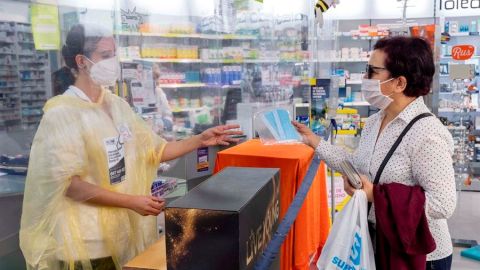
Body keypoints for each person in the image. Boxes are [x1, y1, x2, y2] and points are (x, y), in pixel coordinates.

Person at [19, 24, 242, 270]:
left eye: (114, 53)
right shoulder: (62, 114)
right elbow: (69, 186)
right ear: (81, 61)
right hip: (85, 244)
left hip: (120, 235)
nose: (113, 62)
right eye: (105, 56)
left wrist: (200, 139)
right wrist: (131, 201)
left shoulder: (116, 105)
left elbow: (153, 151)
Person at [294, 36, 456, 270]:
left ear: (399, 83)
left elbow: (443, 204)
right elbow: (358, 165)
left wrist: (375, 196)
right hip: (380, 244)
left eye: (372, 71)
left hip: (420, 256)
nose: (364, 78)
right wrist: (315, 142)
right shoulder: (374, 121)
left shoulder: (427, 132)